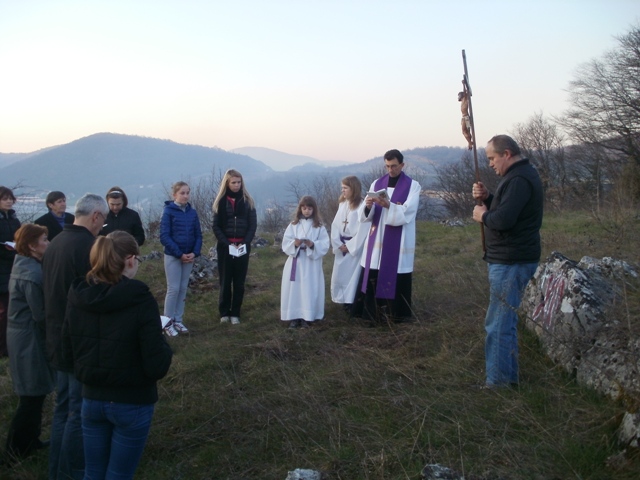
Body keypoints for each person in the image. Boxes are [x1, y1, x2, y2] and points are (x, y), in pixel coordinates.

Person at [62, 231, 173, 480]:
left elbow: (66, 352)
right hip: (132, 400)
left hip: (90, 398)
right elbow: (157, 365)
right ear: (131, 259)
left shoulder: (79, 295)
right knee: (119, 475)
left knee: (93, 473)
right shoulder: (139, 297)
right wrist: (164, 342)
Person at [43, 193, 109, 480]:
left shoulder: (56, 242)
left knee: (62, 408)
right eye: (103, 221)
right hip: (79, 340)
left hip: (56, 335)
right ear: (95, 216)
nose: (101, 227)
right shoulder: (88, 247)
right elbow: (95, 296)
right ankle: (70, 473)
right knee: (79, 413)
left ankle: (55, 469)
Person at [472, 134, 543, 388]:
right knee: (505, 322)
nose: (490, 163)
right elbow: (509, 210)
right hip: (513, 257)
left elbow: (504, 220)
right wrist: (489, 197)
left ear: (507, 154)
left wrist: (483, 215)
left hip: (511, 261)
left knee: (498, 325)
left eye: (492, 158)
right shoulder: (518, 177)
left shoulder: (519, 180)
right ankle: (507, 377)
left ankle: (499, 382)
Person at [351, 150, 421, 324]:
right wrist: (368, 206)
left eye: (394, 166)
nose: (390, 170)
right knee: (374, 271)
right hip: (377, 239)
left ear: (402, 165)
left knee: (395, 272)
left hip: (398, 238)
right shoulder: (377, 183)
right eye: (387, 166)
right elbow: (366, 215)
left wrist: (389, 205)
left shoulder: (413, 186)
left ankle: (396, 315)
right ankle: (371, 314)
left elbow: (408, 212)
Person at [5, 224, 55, 461]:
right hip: (28, 340)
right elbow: (41, 315)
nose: (48, 242)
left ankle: (30, 440)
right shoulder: (32, 275)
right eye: (45, 239)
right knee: (31, 396)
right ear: (32, 246)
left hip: (23, 336)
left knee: (35, 392)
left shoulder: (25, 265)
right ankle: (15, 450)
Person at [212, 170, 257, 325]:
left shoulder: (248, 201)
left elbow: (252, 225)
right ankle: (224, 312)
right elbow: (216, 226)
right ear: (227, 183)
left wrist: (245, 242)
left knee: (239, 282)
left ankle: (236, 312)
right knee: (225, 281)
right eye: (233, 182)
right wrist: (227, 243)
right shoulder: (220, 202)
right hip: (225, 247)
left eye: (239, 182)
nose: (237, 185)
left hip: (243, 246)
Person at [280, 196, 330, 328]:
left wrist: (312, 244)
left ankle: (308, 316)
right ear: (300, 209)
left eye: (309, 208)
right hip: (296, 261)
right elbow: (286, 243)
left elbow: (325, 244)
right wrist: (295, 244)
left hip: (311, 263)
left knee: (309, 288)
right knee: (295, 289)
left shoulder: (319, 227)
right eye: (304, 208)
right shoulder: (293, 225)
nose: (306, 211)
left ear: (314, 209)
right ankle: (294, 316)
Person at [160, 181, 202, 335]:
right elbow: (164, 236)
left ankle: (178, 320)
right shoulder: (168, 212)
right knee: (173, 289)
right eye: (182, 193)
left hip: (189, 256)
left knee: (183, 288)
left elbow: (198, 235)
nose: (185, 196)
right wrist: (179, 254)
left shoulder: (192, 212)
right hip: (173, 256)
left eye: (187, 192)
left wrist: (194, 253)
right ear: (175, 195)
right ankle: (167, 322)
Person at [330, 176, 367, 310]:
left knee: (352, 276)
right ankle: (342, 299)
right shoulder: (343, 204)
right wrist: (338, 243)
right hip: (341, 245)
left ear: (354, 188)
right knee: (340, 274)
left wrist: (350, 246)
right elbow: (335, 225)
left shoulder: (362, 206)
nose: (343, 191)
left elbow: (363, 229)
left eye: (345, 188)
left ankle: (351, 302)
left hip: (353, 247)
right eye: (342, 188)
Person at [0, 186, 21, 357]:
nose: (8, 201)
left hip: (13, 267)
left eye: (10, 198)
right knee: (4, 311)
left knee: (10, 310)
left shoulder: (14, 219)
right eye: (4, 198)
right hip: (1, 268)